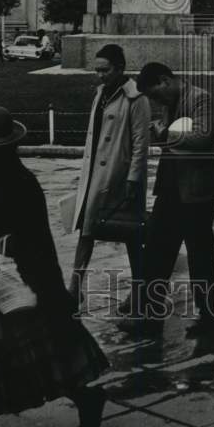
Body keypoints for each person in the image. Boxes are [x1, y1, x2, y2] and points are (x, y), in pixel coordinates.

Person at [0, 105, 109, 427]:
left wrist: (46, 290)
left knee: (41, 353)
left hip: (18, 281)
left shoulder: (21, 184)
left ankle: (86, 398)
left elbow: (37, 244)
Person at [120, 62, 214, 339]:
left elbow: (203, 137)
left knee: (201, 258)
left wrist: (164, 133)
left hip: (197, 193)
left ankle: (210, 318)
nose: (155, 101)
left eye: (155, 94)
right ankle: (148, 318)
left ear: (165, 81)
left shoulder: (200, 98)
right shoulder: (171, 102)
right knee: (156, 254)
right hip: (169, 190)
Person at [69, 45, 150, 311]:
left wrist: (133, 179)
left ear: (120, 69)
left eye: (105, 70)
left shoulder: (136, 98)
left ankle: (140, 293)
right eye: (97, 70)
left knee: (131, 235)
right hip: (95, 174)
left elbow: (141, 142)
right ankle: (74, 287)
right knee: (86, 230)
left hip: (120, 176)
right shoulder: (101, 94)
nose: (100, 75)